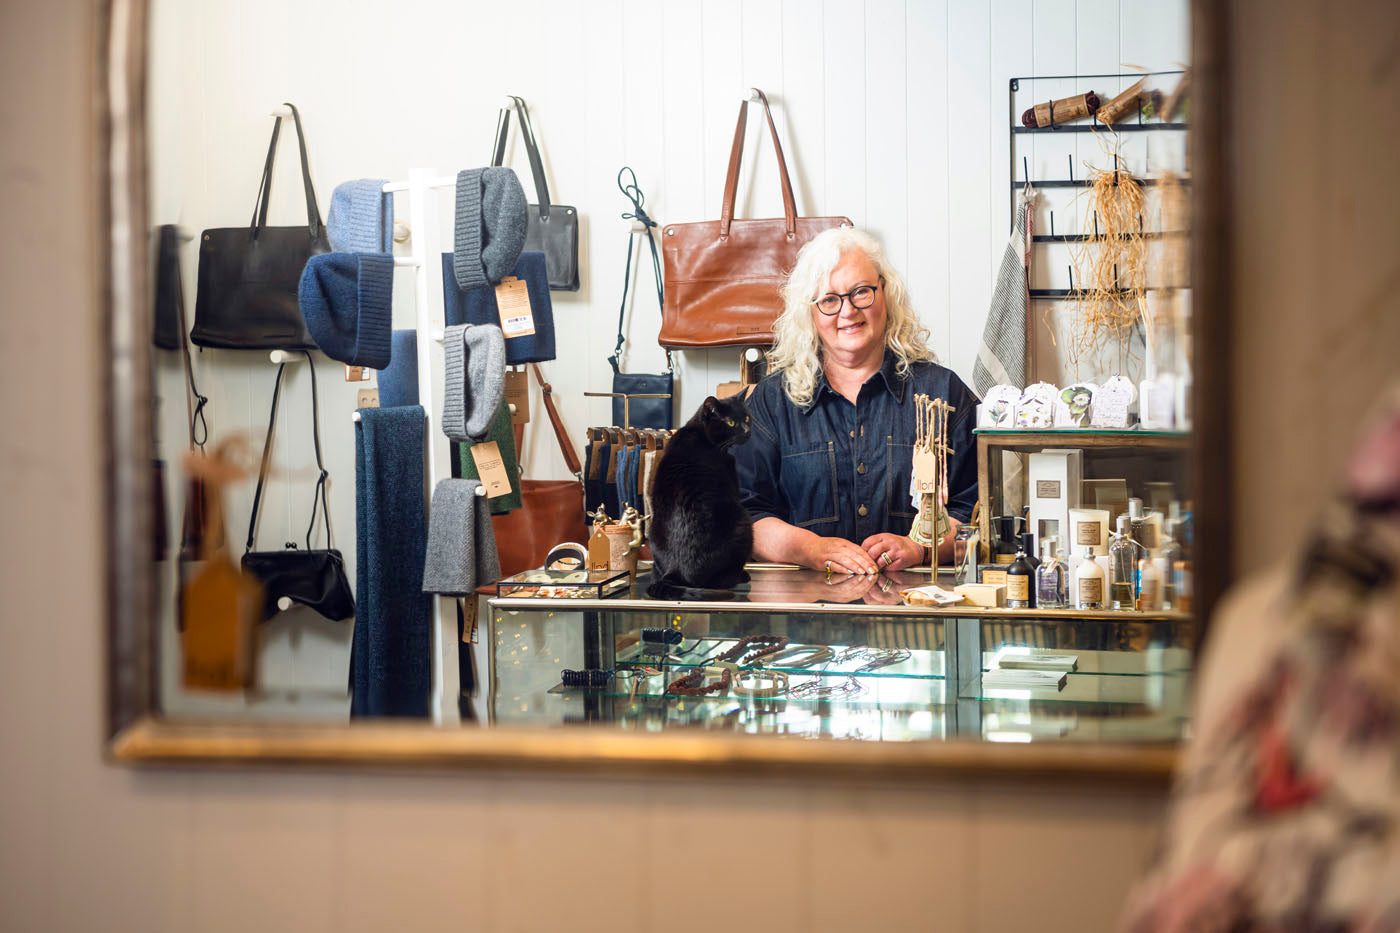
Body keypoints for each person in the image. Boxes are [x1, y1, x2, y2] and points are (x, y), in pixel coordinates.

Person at [734, 227, 979, 576]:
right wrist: (810, 549)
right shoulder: (771, 402)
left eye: (861, 292)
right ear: (811, 315)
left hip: (919, 614)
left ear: (885, 293)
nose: (847, 311)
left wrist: (920, 547)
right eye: (830, 300)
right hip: (805, 616)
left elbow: (974, 515)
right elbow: (748, 515)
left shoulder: (942, 394)